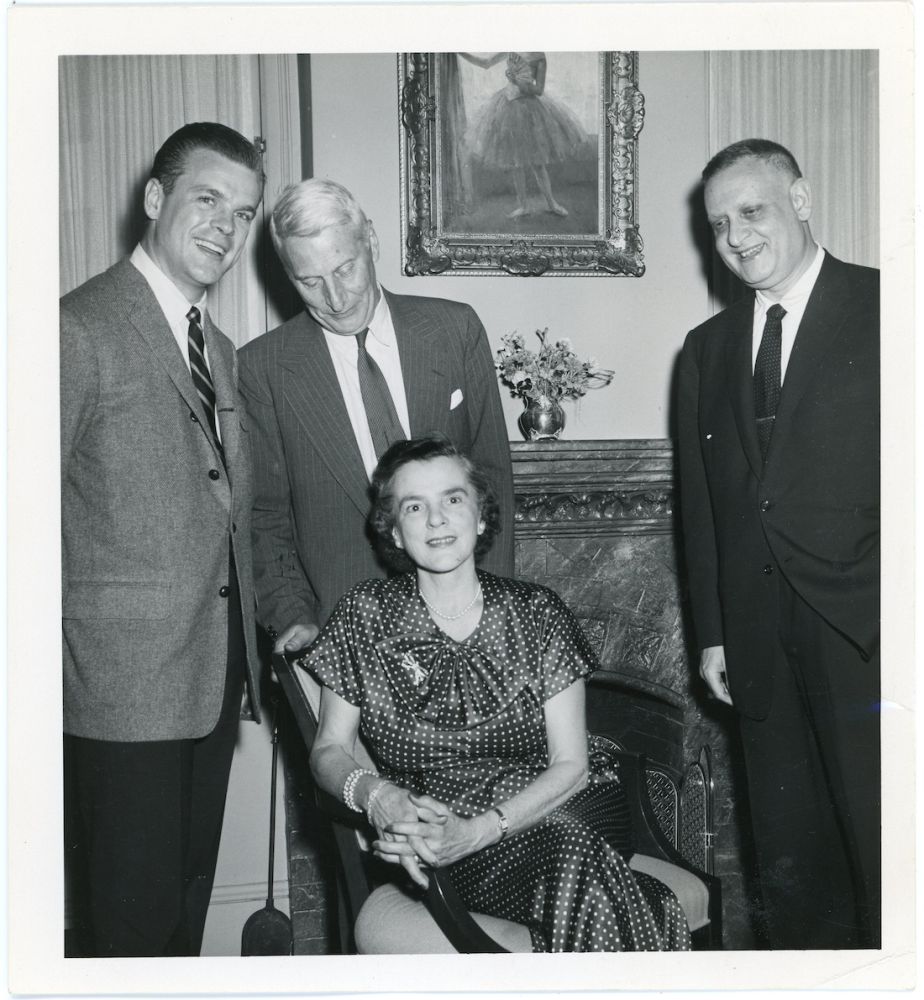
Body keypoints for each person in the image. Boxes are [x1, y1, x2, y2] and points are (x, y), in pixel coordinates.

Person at [301, 436, 691, 953]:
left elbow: (571, 764)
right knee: (621, 892)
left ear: (481, 517)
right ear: (394, 530)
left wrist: (482, 829)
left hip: (558, 806)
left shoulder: (538, 612)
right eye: (415, 507)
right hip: (437, 834)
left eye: (453, 499)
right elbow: (328, 750)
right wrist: (377, 796)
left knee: (570, 846)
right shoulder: (364, 614)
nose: (436, 519)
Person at [60, 122, 265, 956]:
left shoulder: (217, 345)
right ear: (155, 200)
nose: (226, 225)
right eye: (207, 200)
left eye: (243, 212)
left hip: (209, 676)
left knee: (182, 913)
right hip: (118, 688)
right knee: (129, 930)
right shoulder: (78, 327)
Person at [677, 139, 879, 948]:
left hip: (867, 630)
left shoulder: (893, 307)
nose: (736, 238)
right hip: (757, 641)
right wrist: (715, 633)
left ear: (800, 200)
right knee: (791, 867)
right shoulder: (706, 348)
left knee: (885, 852)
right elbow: (703, 506)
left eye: (752, 212)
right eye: (721, 224)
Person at [238, 178, 515, 660]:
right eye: (310, 281)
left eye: (346, 269)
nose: (336, 298)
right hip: (343, 636)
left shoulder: (456, 330)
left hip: (468, 624)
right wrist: (294, 617)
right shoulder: (263, 369)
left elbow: (493, 482)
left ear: (371, 240)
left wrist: (497, 610)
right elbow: (265, 516)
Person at [459, 52, 585, 219]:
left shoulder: (539, 57)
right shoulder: (512, 48)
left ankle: (551, 203)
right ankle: (523, 206)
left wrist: (518, 81)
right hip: (508, 107)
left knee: (538, 163)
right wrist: (460, 52)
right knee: (515, 162)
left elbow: (539, 90)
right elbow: (486, 63)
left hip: (530, 110)